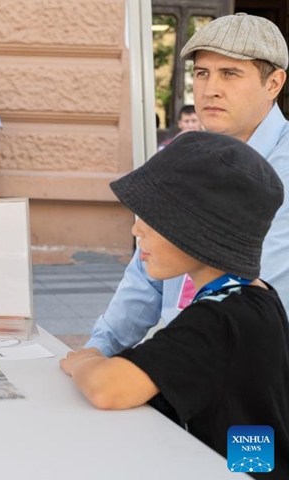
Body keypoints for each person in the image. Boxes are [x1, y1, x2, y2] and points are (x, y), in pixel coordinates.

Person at [62, 132, 289, 478]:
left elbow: (109, 388)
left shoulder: (217, 319)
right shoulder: (257, 297)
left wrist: (86, 361)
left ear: (200, 231)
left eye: (153, 218)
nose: (137, 229)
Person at [86, 13, 289, 356]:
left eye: (230, 73)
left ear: (273, 83)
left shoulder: (282, 170)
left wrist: (153, 372)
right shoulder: (193, 154)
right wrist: (99, 348)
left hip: (250, 377)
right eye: (201, 73)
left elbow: (252, 290)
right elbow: (145, 270)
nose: (211, 89)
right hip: (184, 361)